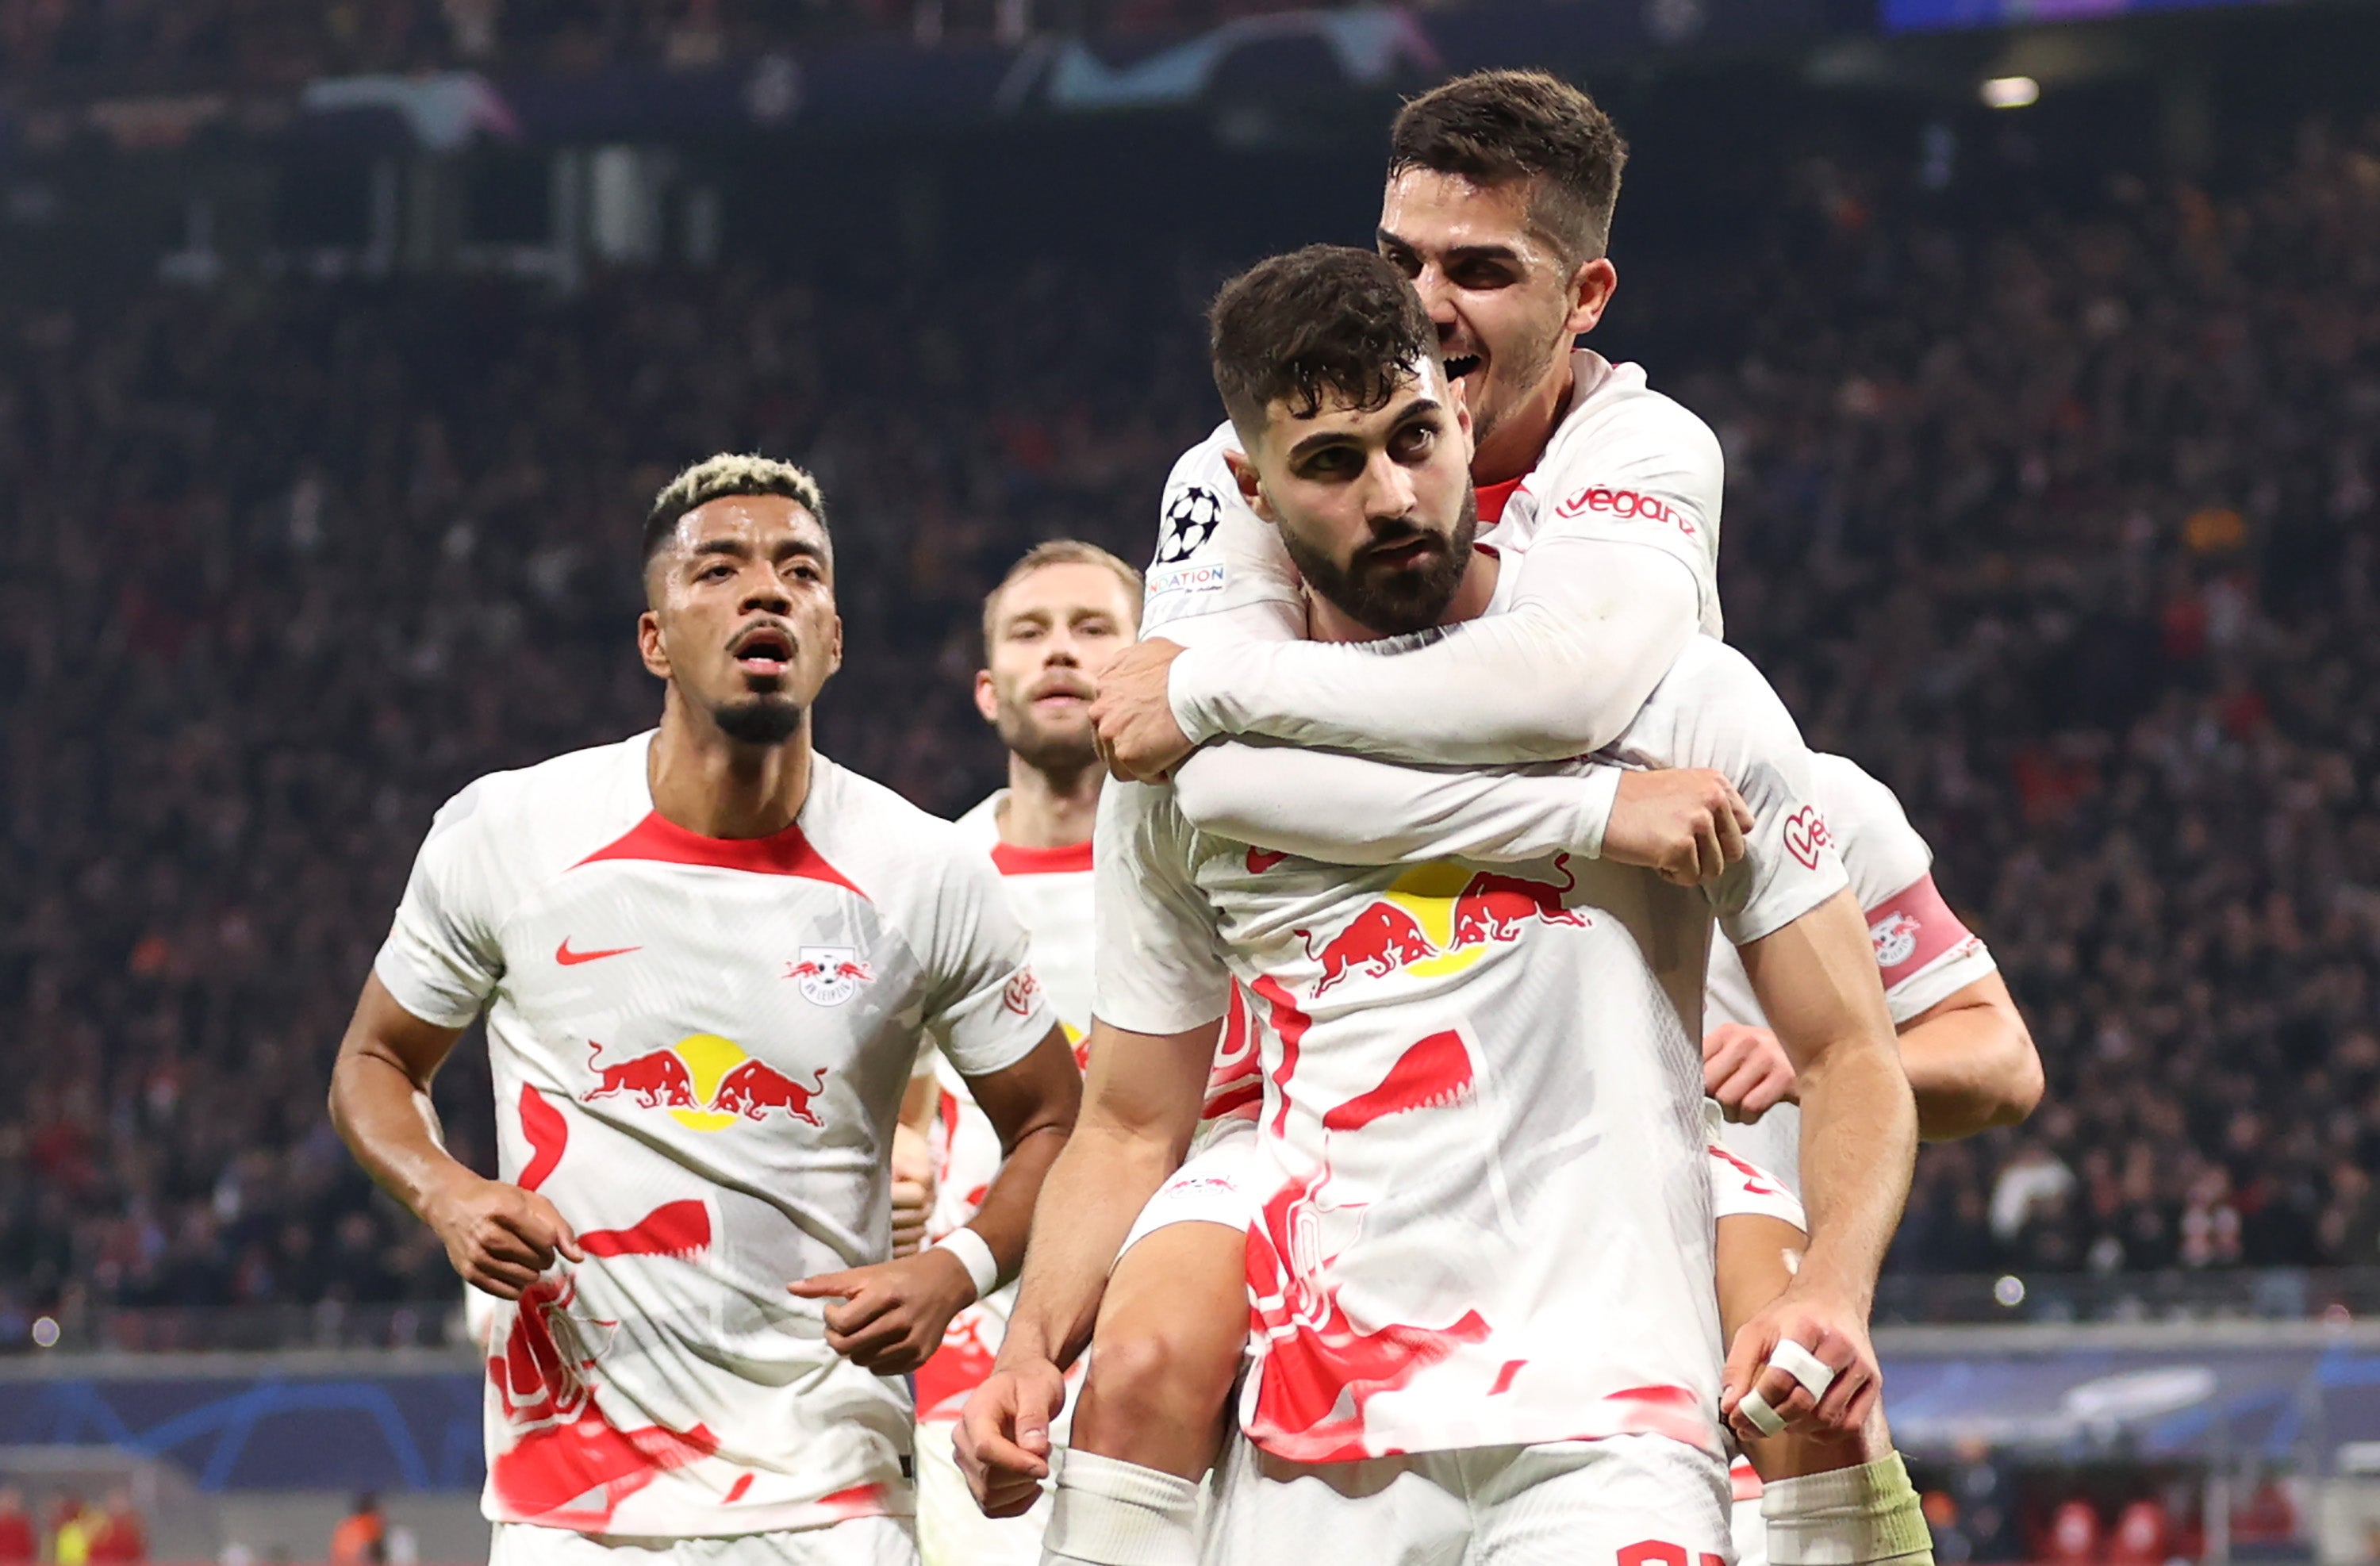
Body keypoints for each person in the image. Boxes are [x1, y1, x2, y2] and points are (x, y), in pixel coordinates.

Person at [962, 247, 1917, 1564]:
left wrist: (1833, 1289)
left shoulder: (1671, 696)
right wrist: (1026, 1348)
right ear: (1251, 487)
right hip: (1315, 1434)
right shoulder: (1178, 766)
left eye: (1415, 436)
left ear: (1465, 417)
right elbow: (1133, 1119)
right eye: (1333, 463)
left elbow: (1852, 1051)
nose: (1395, 493)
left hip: (1611, 1429)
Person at [328, 454, 1082, 1565]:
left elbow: (1058, 1120)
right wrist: (446, 1195)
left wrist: (954, 1268)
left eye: (799, 571)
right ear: (653, 637)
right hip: (568, 1507)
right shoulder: (510, 835)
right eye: (718, 569)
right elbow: (373, 1063)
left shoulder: (926, 873)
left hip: (833, 1497)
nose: (763, 592)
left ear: (833, 635)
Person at [906, 539, 1144, 1565]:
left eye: (1093, 629)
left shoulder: (1218, 864)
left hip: (1173, 1344)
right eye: (1031, 632)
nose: (1060, 653)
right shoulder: (928, 881)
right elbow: (893, 1108)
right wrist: (895, 1161)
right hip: (976, 1362)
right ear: (986, 685)